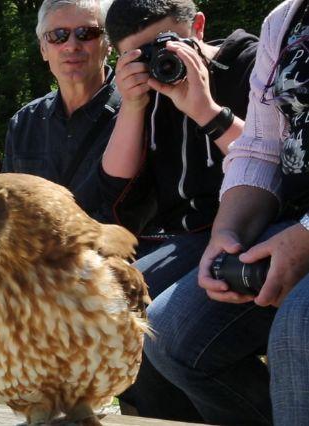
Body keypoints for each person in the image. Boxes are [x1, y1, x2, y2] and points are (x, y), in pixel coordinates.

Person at [145, 0, 309, 423]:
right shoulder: (285, 19)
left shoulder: (243, 57)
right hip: (282, 223)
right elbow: (261, 146)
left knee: (299, 324)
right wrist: (227, 233)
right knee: (165, 333)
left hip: (296, 226)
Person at [101, 0, 259, 420]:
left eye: (168, 45)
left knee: (161, 326)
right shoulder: (146, 92)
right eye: (140, 55)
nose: (160, 62)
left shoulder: (252, 64)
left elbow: (272, 161)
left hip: (255, 226)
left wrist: (205, 109)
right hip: (184, 235)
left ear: (200, 27)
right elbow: (115, 180)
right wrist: (133, 105)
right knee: (102, 305)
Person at [3, 0, 119, 220]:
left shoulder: (140, 110)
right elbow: (10, 210)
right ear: (43, 49)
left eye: (87, 33)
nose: (72, 45)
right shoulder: (24, 123)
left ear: (108, 43)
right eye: (58, 35)